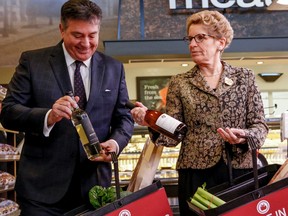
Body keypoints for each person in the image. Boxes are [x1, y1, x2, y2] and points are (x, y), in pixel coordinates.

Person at [0, 0, 134, 215]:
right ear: (62, 29)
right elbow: (8, 113)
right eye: (78, 35)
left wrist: (115, 143)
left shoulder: (113, 68)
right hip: (41, 191)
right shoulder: (33, 62)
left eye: (92, 35)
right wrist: (49, 116)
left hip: (95, 189)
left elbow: (124, 119)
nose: (86, 43)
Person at [130, 10, 268, 215]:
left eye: (200, 37)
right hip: (196, 173)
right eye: (190, 39)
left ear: (220, 43)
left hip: (240, 171)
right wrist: (151, 122)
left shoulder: (244, 77)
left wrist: (244, 137)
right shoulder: (180, 82)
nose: (192, 44)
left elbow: (260, 126)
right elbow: (174, 134)